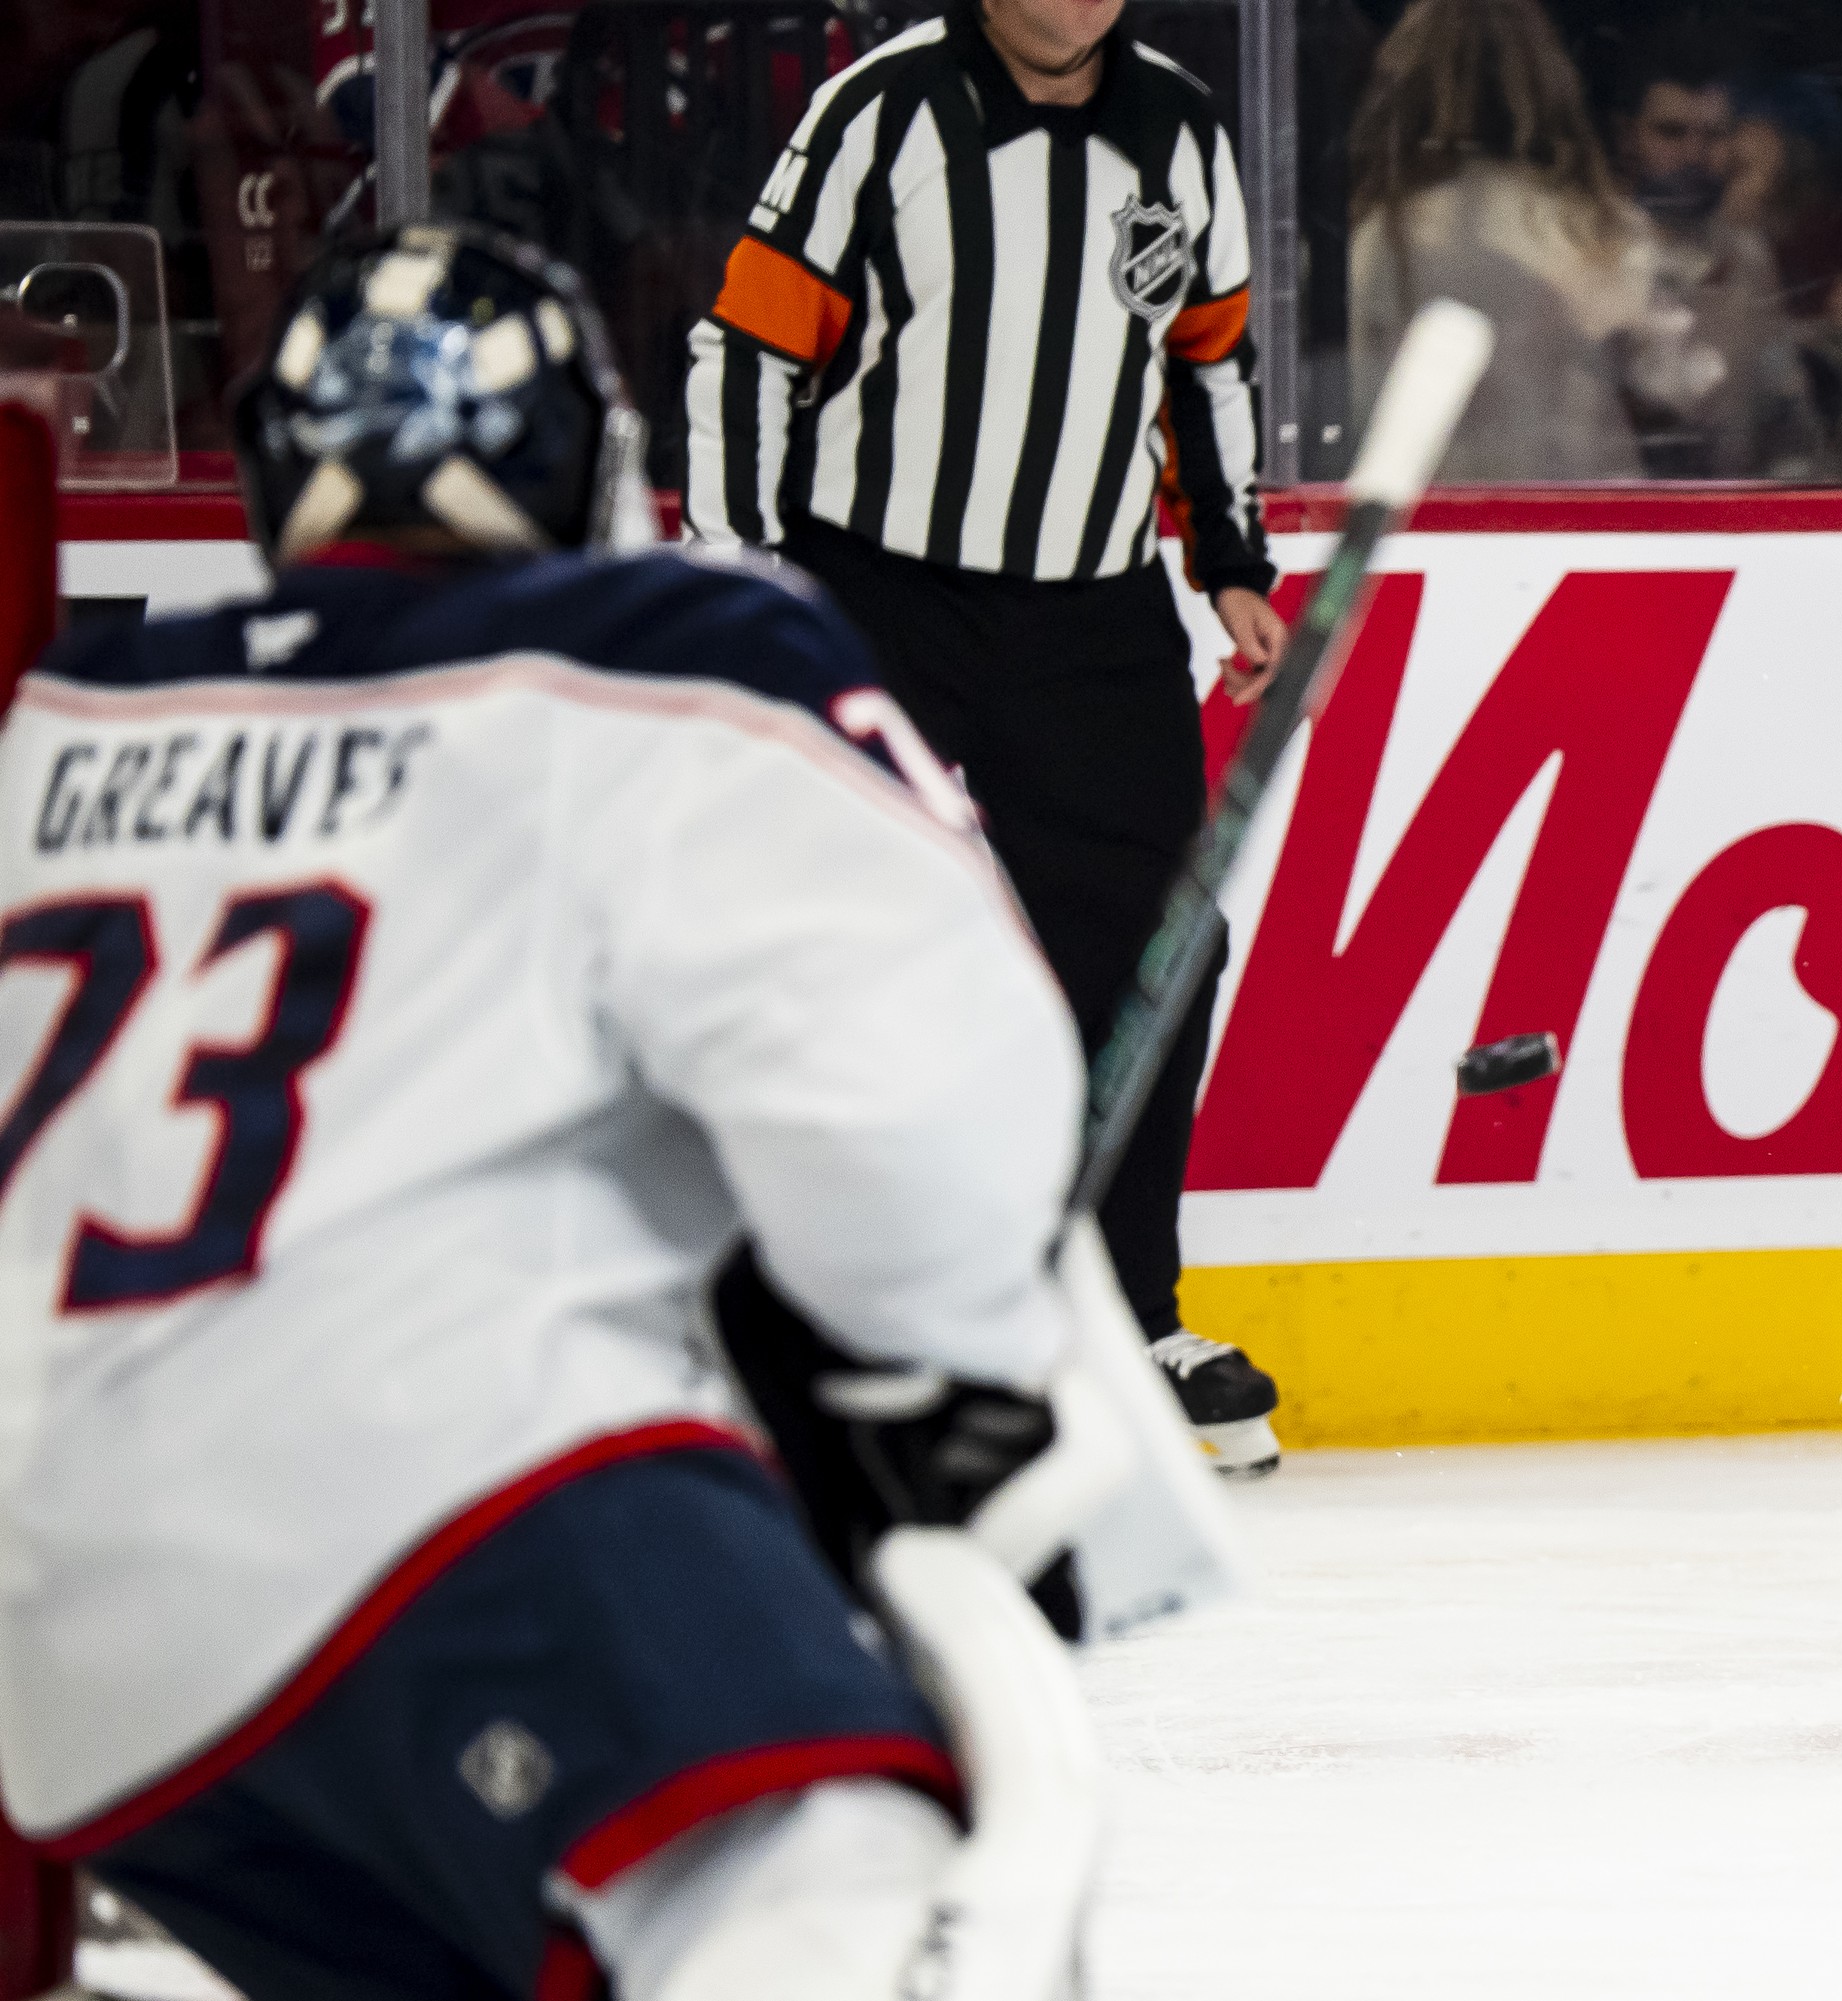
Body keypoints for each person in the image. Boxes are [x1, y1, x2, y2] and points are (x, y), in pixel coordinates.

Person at [0, 223, 1231, 1999]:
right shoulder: (668, 651)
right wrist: (947, 1384)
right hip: (430, 1499)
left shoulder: (69, 711)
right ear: (585, 461)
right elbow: (921, 1145)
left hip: (65, 1653)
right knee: (830, 1897)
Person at [684, 0, 1287, 1475]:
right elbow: (747, 351)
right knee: (811, 945)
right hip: (874, 589)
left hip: (1091, 609)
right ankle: (780, 1313)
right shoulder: (879, 114)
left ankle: (1126, 1316)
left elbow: (1206, 358)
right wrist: (747, 587)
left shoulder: (1179, 128)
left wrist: (1230, 562)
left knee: (1157, 950)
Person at [1345, 0, 1650, 482]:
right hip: (1581, 504)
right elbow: (1665, 387)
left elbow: (1363, 405)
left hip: (1429, 505)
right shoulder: (1601, 228)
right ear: (1548, 80)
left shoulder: (1381, 234)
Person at [1607, 43, 1824, 479]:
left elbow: (1787, 417)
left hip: (1734, 510)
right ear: (1628, 137)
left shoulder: (1748, 256)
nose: (1694, 154)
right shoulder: (1591, 253)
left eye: (1713, 136)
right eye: (1671, 133)